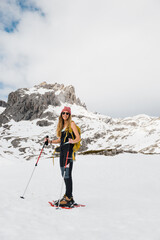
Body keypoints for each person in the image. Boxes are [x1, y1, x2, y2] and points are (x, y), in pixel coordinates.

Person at [46, 106, 80, 206]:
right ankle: (68, 196)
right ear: (61, 114)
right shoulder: (62, 125)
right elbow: (60, 140)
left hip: (69, 153)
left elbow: (77, 138)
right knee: (63, 174)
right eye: (63, 113)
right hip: (62, 153)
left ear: (69, 115)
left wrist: (72, 141)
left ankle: (68, 198)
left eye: (67, 113)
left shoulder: (71, 124)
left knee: (67, 174)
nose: (65, 115)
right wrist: (50, 141)